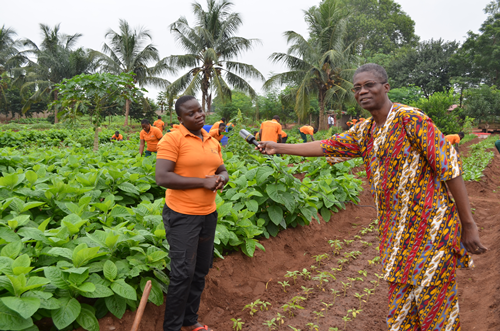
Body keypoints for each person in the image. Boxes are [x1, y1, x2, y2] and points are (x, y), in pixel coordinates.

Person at [257, 63, 487, 331]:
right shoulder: (365, 131)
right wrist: (278, 146)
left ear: (385, 87)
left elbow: (450, 169)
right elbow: (325, 146)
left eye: (369, 85)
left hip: (431, 232)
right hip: (395, 235)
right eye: (357, 88)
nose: (362, 92)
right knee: (402, 314)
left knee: (437, 313)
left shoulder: (410, 119)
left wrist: (468, 225)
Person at [155, 95, 228, 331]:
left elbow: (221, 169)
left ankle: (190, 321)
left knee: (200, 271)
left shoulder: (211, 139)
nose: (198, 115)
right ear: (180, 118)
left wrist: (222, 179)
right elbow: (163, 177)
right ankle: (172, 328)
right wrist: (201, 182)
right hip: (182, 215)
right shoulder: (172, 139)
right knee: (182, 273)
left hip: (208, 213)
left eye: (200, 110)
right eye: (191, 113)